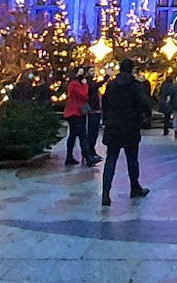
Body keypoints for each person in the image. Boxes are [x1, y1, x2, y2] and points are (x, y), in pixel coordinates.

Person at [100, 58, 152, 205]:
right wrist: (145, 115)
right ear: (132, 70)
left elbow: (105, 103)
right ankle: (134, 187)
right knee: (132, 160)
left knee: (111, 159)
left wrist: (107, 118)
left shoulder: (111, 85)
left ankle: (105, 193)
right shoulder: (135, 86)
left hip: (113, 126)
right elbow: (145, 103)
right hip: (130, 126)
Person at [63, 66, 90, 165]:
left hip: (74, 112)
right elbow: (84, 95)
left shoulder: (73, 84)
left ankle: (69, 157)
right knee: (82, 135)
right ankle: (88, 157)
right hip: (75, 113)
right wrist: (85, 85)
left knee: (73, 135)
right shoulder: (74, 84)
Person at [84, 70, 105, 166]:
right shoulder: (89, 83)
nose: (93, 72)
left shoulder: (92, 82)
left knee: (94, 132)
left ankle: (92, 151)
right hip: (92, 110)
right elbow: (95, 86)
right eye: (91, 71)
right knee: (92, 133)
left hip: (96, 110)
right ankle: (89, 152)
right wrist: (106, 77)